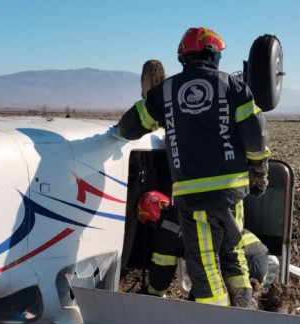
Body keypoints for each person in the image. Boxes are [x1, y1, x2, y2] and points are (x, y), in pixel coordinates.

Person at [115, 27, 270, 308]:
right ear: (213, 56)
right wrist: (259, 174)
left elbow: (130, 126)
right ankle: (245, 310)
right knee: (233, 254)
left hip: (193, 197)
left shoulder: (166, 91)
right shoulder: (235, 87)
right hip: (232, 194)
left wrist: (114, 133)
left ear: (184, 57)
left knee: (204, 266)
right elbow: (255, 136)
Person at [136, 191, 277, 309]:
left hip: (239, 263)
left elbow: (161, 276)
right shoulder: (186, 210)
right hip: (258, 256)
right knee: (239, 311)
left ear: (149, 220)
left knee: (198, 309)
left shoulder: (165, 232)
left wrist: (149, 294)